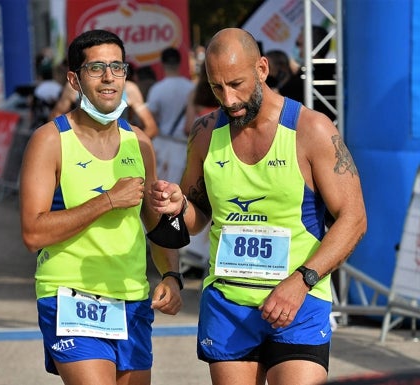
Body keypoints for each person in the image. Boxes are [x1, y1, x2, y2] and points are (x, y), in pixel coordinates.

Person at [149, 28, 367, 385]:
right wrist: (178, 206)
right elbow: (195, 219)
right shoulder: (205, 132)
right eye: (217, 88)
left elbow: (354, 219)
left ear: (262, 69)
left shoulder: (311, 129)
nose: (229, 99)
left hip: (298, 298)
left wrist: (302, 280)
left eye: (236, 84)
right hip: (228, 301)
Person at [19, 29, 182, 385]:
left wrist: (171, 273)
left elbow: (156, 225)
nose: (109, 77)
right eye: (96, 68)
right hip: (69, 295)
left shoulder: (139, 143)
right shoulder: (50, 140)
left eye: (117, 67)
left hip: (131, 297)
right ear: (74, 79)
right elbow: (33, 233)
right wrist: (108, 200)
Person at [50, 73, 159, 139]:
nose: (107, 75)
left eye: (115, 66)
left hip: (119, 151)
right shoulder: (74, 87)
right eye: (97, 67)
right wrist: (67, 143)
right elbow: (56, 115)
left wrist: (130, 146)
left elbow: (151, 127)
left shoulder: (129, 89)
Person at [146, 47, 194, 138]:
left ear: (162, 64)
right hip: (187, 142)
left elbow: (151, 118)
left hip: (165, 141)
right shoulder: (192, 88)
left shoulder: (156, 89)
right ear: (180, 63)